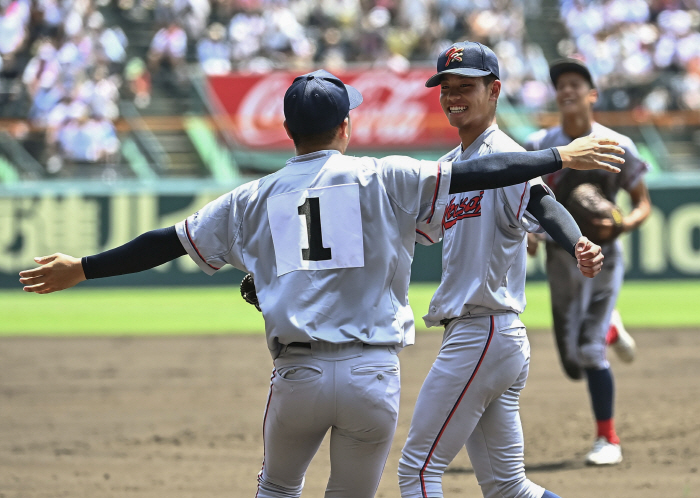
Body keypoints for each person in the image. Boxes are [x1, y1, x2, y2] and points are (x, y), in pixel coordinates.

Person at [19, 70, 624, 498]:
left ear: (286, 130)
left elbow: (163, 243)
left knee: (278, 490)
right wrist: (558, 157)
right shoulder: (383, 176)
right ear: (346, 125)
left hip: (298, 375)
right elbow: (482, 171)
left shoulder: (251, 196)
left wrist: (84, 268)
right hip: (371, 377)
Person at [397, 41, 603, 498]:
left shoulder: (507, 154)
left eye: (466, 86)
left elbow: (542, 204)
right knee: (509, 488)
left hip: (484, 331)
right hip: (486, 337)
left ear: (494, 91)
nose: (454, 96)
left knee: (416, 472)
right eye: (446, 87)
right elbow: (412, 228)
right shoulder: (451, 167)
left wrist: (578, 244)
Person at [524, 58, 651, 466]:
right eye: (560, 84)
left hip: (605, 258)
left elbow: (642, 202)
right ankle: (611, 330)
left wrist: (622, 225)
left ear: (592, 94)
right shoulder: (539, 144)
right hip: (560, 258)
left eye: (575, 83)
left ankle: (607, 439)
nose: (566, 89)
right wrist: (529, 231)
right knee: (574, 364)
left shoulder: (618, 144)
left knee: (590, 352)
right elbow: (522, 201)